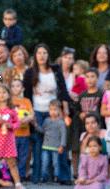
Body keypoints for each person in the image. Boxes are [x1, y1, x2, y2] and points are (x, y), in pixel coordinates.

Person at [23, 43, 71, 184]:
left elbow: (63, 90)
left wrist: (65, 109)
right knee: (38, 145)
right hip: (37, 112)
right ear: (35, 56)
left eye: (44, 53)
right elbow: (26, 96)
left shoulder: (56, 70)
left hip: (54, 112)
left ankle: (63, 176)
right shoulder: (30, 72)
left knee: (59, 144)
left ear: (48, 55)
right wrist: (30, 114)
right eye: (39, 53)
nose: (42, 56)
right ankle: (38, 176)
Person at [0, 84, 25, 189]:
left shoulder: (12, 110)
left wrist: (10, 125)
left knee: (12, 163)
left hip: (9, 141)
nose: (1, 95)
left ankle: (18, 183)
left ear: (8, 94)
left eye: (4, 92)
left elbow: (17, 123)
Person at [71, 69, 104, 178]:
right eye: (87, 77)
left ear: (97, 78)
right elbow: (76, 109)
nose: (90, 79)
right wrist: (79, 113)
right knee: (77, 148)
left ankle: (95, 172)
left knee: (95, 148)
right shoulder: (82, 95)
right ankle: (76, 173)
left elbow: (103, 110)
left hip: (95, 127)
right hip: (82, 126)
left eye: (92, 76)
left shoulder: (101, 93)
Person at [35, 100, 66, 183]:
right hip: (46, 146)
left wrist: (62, 145)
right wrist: (36, 125)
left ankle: (57, 176)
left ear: (59, 111)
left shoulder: (61, 122)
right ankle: (44, 177)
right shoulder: (46, 121)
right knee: (45, 162)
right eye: (51, 109)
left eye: (55, 110)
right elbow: (43, 131)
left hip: (56, 147)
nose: (53, 112)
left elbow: (63, 135)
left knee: (56, 163)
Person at [10, 79, 34, 181]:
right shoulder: (9, 101)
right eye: (13, 86)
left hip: (24, 134)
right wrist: (16, 121)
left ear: (22, 88)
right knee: (13, 156)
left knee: (23, 156)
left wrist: (26, 119)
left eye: (18, 85)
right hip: (12, 134)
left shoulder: (26, 101)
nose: (16, 88)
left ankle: (22, 176)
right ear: (10, 89)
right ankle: (13, 176)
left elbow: (32, 115)